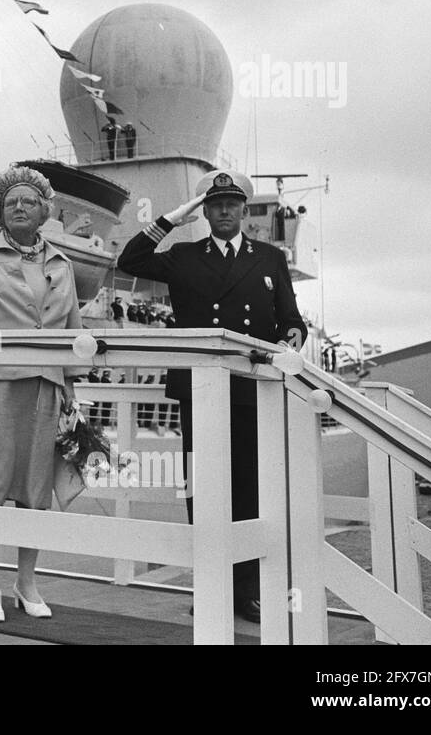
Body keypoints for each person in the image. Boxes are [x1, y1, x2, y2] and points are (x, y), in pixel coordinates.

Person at [117, 169, 307, 623]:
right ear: (204, 211)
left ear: (243, 209)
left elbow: (291, 318)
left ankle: (246, 591)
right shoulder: (182, 255)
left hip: (249, 388)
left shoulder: (269, 258)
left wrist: (293, 339)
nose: (224, 211)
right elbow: (130, 259)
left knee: (249, 489)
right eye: (214, 204)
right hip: (199, 389)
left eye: (232, 204)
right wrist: (171, 219)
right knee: (202, 491)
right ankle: (210, 585)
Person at [0, 165, 82, 623]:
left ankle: (26, 581)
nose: (19, 207)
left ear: (46, 210)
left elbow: (73, 334)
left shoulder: (62, 264)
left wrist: (70, 386)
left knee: (35, 489)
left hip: (46, 387)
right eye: (10, 203)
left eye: (28, 201)